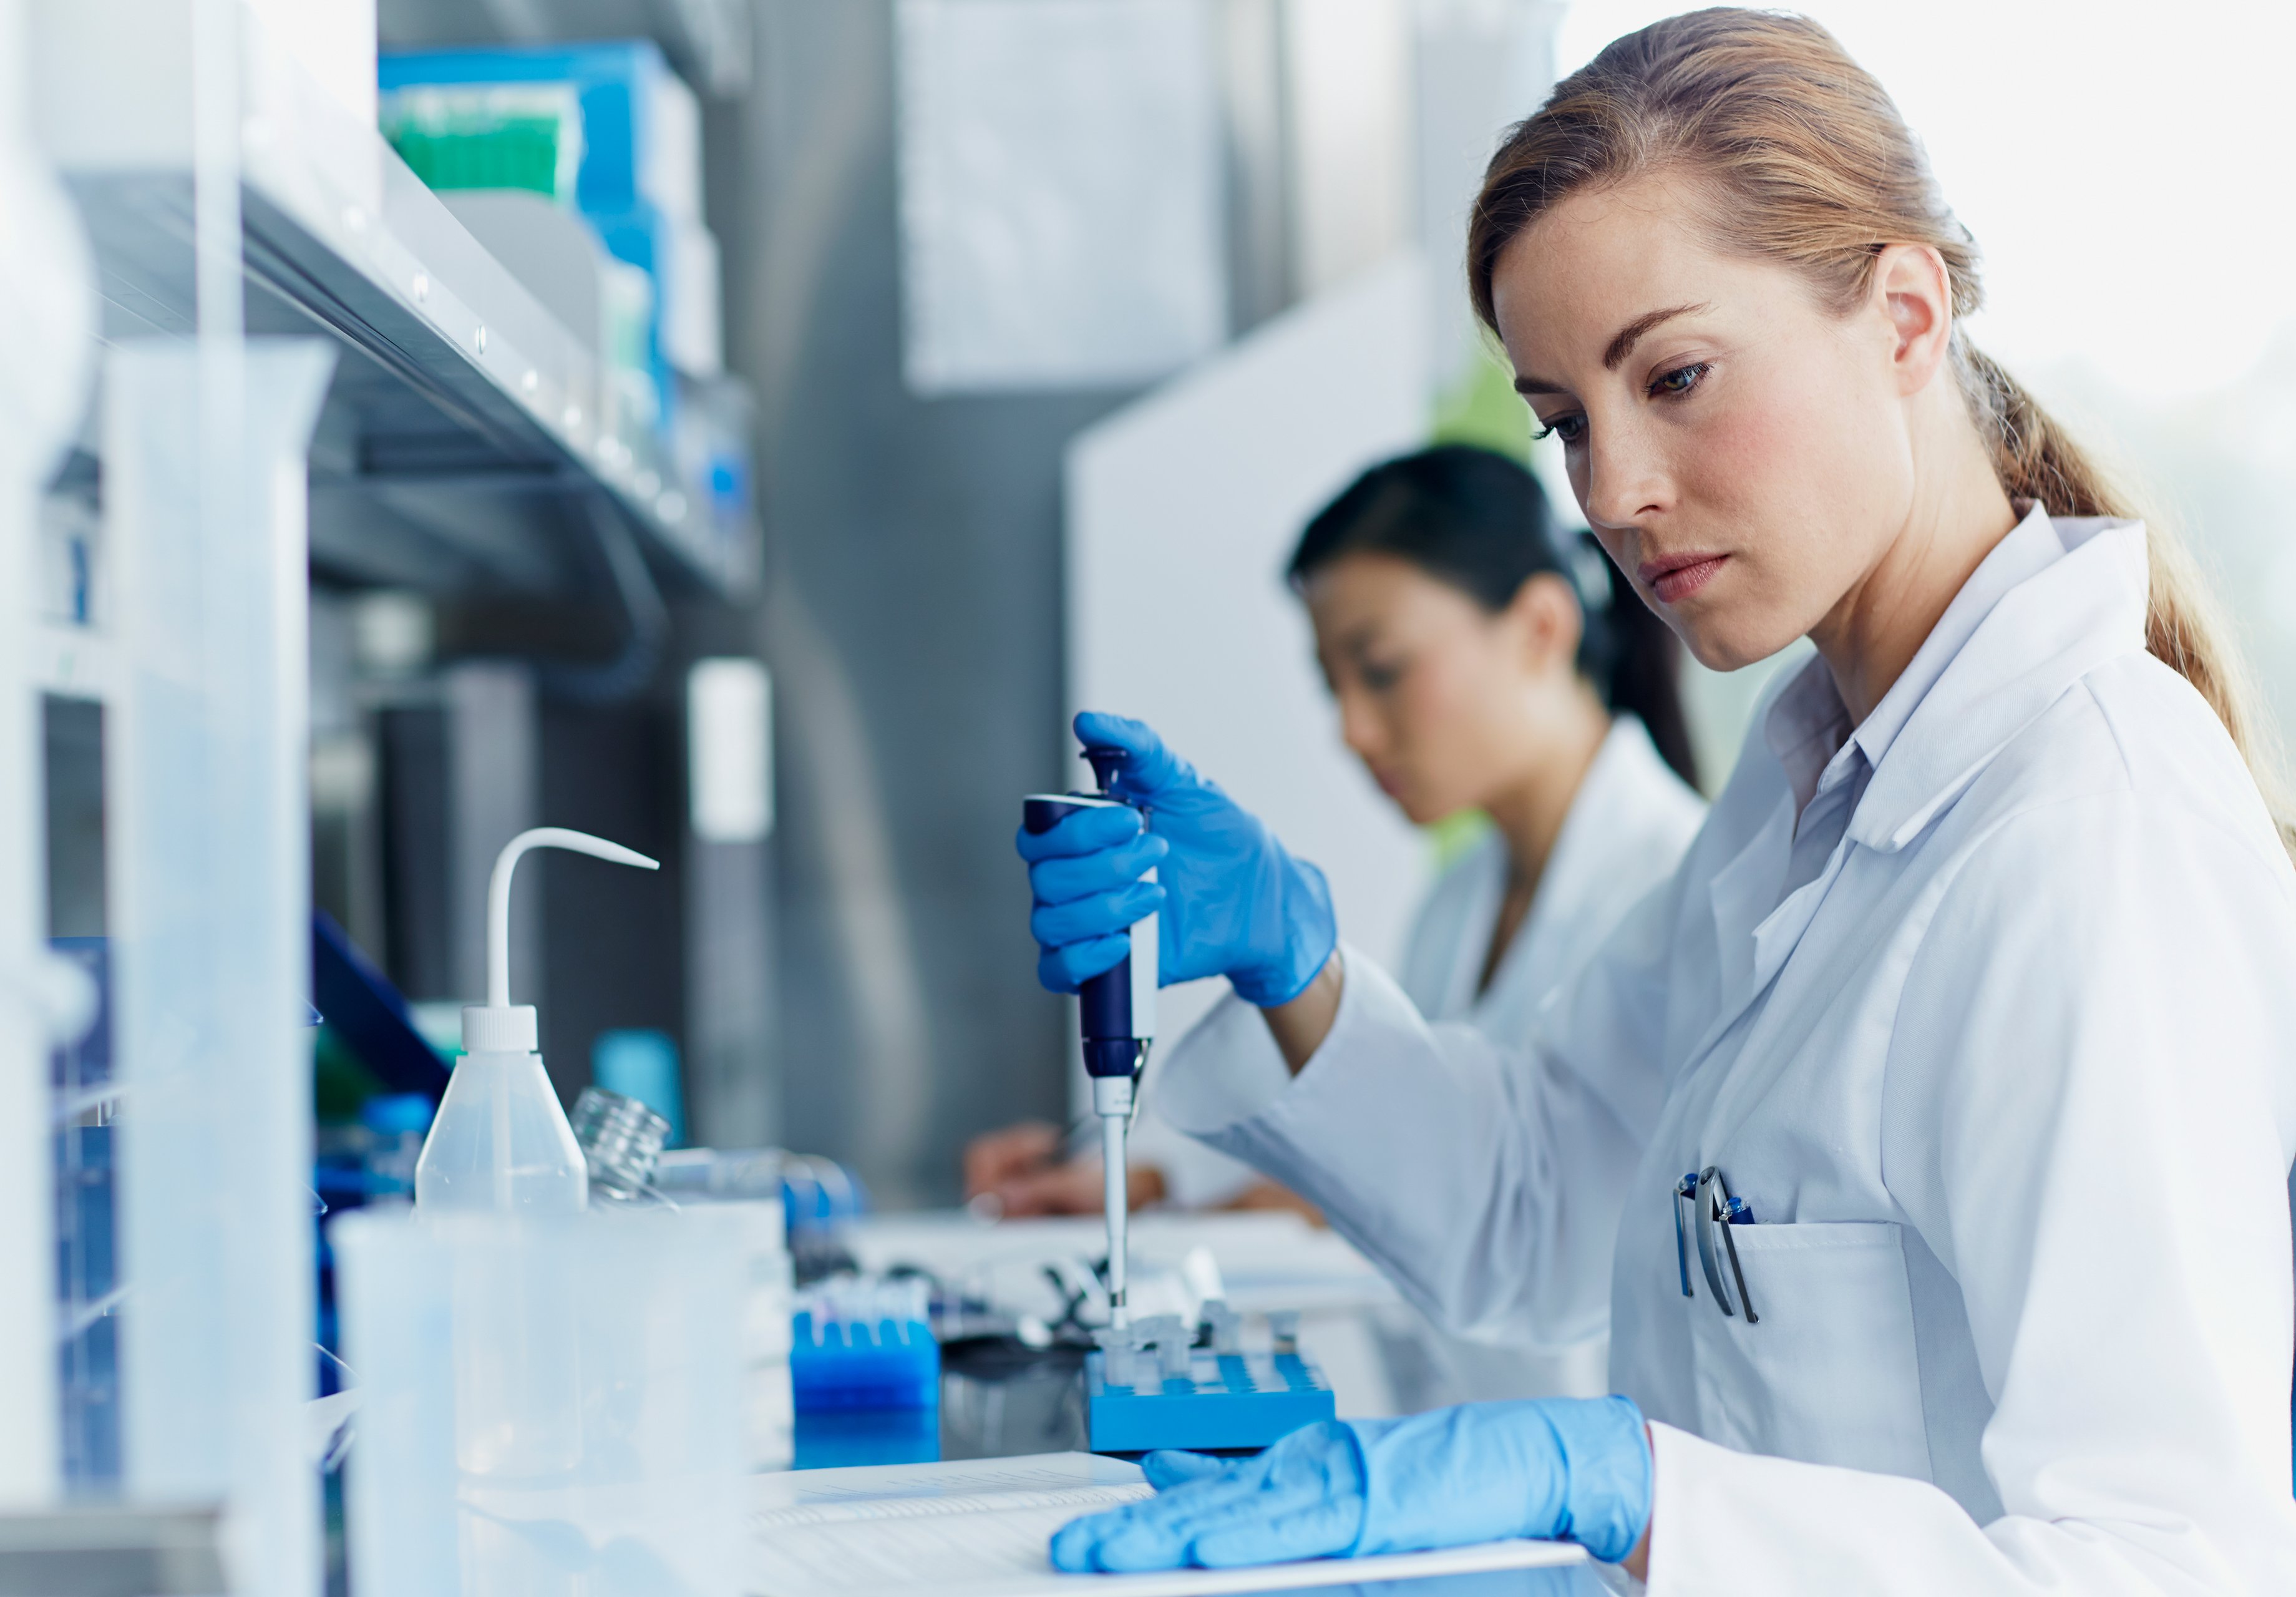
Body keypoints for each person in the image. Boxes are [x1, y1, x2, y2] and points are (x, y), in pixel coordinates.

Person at [1017, 10, 2296, 1591]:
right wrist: (1297, 963)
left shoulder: (2091, 833)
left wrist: (1634, 1489)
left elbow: (2171, 1560)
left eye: (1675, 376)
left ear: (1905, 316)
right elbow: (1537, 1201)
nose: (1612, 490)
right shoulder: (1809, 781)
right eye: (1564, 421)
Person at [970, 447, 1705, 1305]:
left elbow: (1549, 1230)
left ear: (1542, 628)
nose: (1352, 731)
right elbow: (1434, 1174)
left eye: (1383, 669)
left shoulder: (1675, 884)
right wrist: (1154, 1179)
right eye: (1334, 688)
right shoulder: (1461, 900)